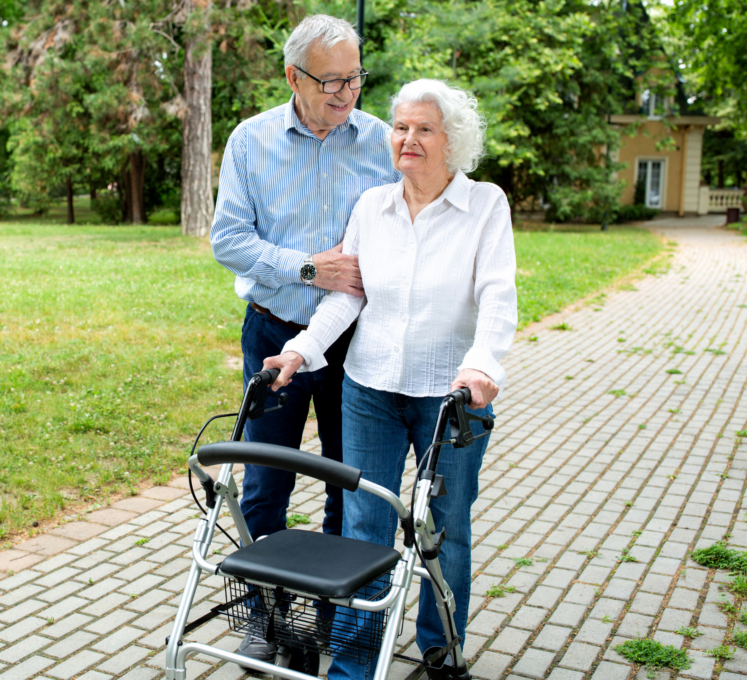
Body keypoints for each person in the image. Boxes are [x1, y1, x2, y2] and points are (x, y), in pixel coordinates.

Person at [263, 79, 517, 680]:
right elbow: (347, 298)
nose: (407, 139)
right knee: (363, 526)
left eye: (423, 128)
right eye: (400, 127)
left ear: (452, 140)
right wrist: (300, 349)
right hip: (369, 388)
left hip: (450, 398)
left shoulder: (486, 205)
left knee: (444, 529)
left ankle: (440, 647)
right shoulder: (372, 207)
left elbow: (498, 295)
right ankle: (355, 662)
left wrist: (482, 365)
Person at [210, 14, 401, 664]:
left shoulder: (382, 142)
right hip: (273, 335)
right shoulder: (250, 141)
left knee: (351, 485)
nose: (346, 93)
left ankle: (335, 619)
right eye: (331, 81)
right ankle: (265, 617)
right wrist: (311, 267)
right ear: (293, 76)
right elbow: (227, 241)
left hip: (356, 344)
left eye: (354, 79)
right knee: (265, 486)